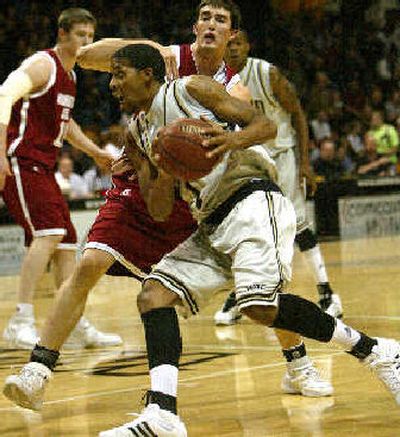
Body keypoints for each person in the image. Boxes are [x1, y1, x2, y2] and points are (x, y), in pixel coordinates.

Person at [5, 43, 400, 436]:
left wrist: (230, 141)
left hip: (249, 196)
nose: (112, 85)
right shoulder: (137, 133)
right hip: (208, 220)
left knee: (258, 306)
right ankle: (163, 414)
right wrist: (154, 167)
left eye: (119, 74)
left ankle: (378, 352)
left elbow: (264, 125)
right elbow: (160, 210)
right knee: (154, 294)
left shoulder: (190, 89)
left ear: (147, 74)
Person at [78, 0, 334, 398]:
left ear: (233, 35)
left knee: (263, 290)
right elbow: (88, 57)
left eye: (221, 20)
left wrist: (227, 140)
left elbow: (256, 129)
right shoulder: (167, 61)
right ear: (194, 27)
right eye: (205, 18)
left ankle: (300, 363)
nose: (211, 25)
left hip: (235, 191)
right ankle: (162, 403)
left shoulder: (236, 87)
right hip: (185, 193)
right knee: (158, 293)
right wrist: (139, 51)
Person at [0, 8, 121, 349]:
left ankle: (74, 322)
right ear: (63, 33)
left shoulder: (71, 75)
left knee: (67, 243)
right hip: (20, 161)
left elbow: (65, 125)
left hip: (43, 166)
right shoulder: (43, 64)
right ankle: (20, 319)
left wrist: (97, 152)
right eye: (81, 35)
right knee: (49, 234)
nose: (87, 42)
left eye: (91, 36)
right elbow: (4, 95)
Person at [215, 30, 343, 328]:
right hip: (249, 158)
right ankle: (241, 294)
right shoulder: (217, 77)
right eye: (229, 44)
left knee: (297, 224)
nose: (233, 49)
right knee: (244, 227)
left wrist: (306, 162)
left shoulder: (266, 73)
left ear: (247, 45)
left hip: (282, 154)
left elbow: (298, 114)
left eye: (238, 43)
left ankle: (327, 293)